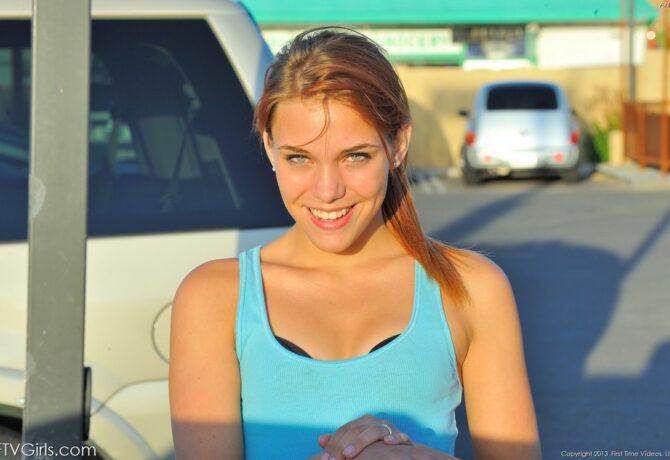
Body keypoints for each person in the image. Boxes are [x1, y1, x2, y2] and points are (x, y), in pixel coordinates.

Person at [169, 27, 542, 460]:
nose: (327, 191)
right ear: (270, 148)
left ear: (397, 144)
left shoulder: (471, 288)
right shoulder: (213, 298)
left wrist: (406, 457)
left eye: (355, 156)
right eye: (299, 158)